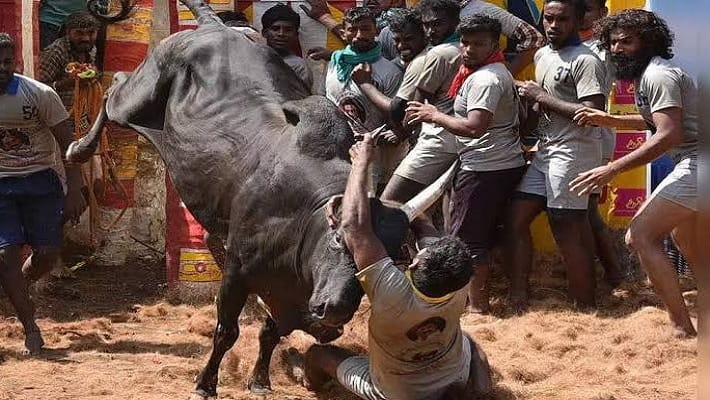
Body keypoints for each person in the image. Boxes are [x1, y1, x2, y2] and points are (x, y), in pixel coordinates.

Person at [303, 133, 492, 400]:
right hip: (453, 378)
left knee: (318, 355)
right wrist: (378, 206)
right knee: (470, 344)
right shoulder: (458, 285)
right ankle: (482, 392)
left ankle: (312, 386)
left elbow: (354, 227)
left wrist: (361, 162)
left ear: (414, 264)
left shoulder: (392, 293)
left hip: (395, 393)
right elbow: (423, 223)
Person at [571, 10, 699, 337]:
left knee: (640, 236)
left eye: (626, 41)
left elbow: (668, 135)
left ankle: (680, 327)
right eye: (612, 41)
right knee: (686, 238)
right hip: (693, 162)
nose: (617, 48)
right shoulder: (648, 76)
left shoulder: (659, 76)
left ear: (649, 42)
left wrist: (611, 169)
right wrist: (612, 121)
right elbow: (661, 122)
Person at [406, 15, 526, 313]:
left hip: (485, 167)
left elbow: (474, 127)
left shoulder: (486, 78)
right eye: (465, 42)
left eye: (478, 43)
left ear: (494, 44)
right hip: (497, 162)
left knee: (469, 241)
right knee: (480, 235)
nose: (469, 49)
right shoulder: (488, 71)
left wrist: (434, 115)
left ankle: (478, 310)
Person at [510, 0, 607, 310]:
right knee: (515, 220)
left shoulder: (585, 60)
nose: (553, 26)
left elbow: (593, 114)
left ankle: (585, 308)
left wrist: (540, 96)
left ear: (578, 20)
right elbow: (542, 106)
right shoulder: (542, 54)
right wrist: (527, 124)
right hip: (547, 151)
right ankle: (519, 297)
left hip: (575, 151)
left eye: (562, 19)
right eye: (548, 19)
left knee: (566, 227)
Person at [0, 33, 86, 354]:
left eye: (7, 62)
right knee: (5, 255)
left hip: (40, 182)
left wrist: (75, 189)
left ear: (15, 63)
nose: (2, 68)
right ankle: (30, 328)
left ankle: (17, 287)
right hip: (1, 187)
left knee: (47, 254)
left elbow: (70, 145)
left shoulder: (38, 94)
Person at [381, 0, 464, 205]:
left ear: (455, 22)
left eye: (437, 24)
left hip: (436, 143)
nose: (430, 31)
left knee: (389, 203)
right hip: (458, 140)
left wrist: (401, 132)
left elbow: (408, 108)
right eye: (427, 25)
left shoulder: (437, 54)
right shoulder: (465, 48)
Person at [324, 7, 404, 191]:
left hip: (380, 156)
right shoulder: (335, 63)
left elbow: (397, 117)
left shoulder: (389, 71)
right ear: (344, 33)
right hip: (342, 153)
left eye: (366, 28)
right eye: (353, 29)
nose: (359, 35)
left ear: (376, 30)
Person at [579, 0, 626, 286]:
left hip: (592, 137)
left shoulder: (603, 49)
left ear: (603, 13)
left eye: (588, 9)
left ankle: (614, 274)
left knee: (587, 210)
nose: (582, 16)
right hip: (572, 138)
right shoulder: (569, 45)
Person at [350, 8, 429, 128]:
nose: (402, 46)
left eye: (409, 39)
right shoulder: (395, 65)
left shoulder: (425, 61)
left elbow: (398, 111)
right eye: (397, 40)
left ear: (424, 37)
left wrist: (365, 84)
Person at [39, 11, 100, 116]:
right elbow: (38, 88)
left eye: (91, 33)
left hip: (82, 117)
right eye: (79, 33)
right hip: (57, 117)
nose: (85, 38)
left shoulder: (91, 48)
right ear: (68, 32)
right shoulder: (55, 51)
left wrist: (94, 73)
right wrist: (69, 82)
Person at [261, 4, 314, 89]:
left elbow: (301, 98)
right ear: (264, 33)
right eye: (275, 29)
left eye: (288, 30)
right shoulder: (253, 60)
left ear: (296, 35)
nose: (281, 34)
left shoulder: (299, 67)